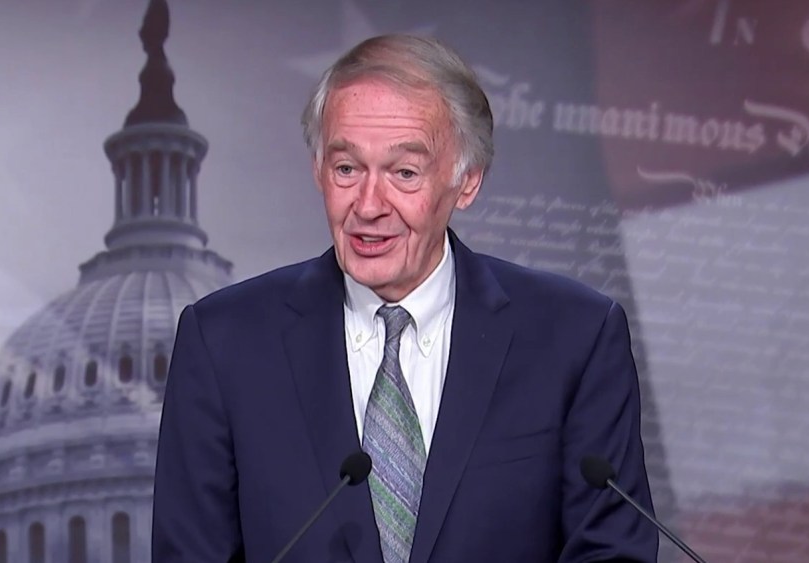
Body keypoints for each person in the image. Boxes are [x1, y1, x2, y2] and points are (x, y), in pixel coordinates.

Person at [152, 33, 658, 562]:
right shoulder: (224, 343)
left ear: (467, 181)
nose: (369, 205)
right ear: (318, 170)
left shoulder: (576, 338)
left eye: (404, 173)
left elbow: (613, 552)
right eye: (347, 169)